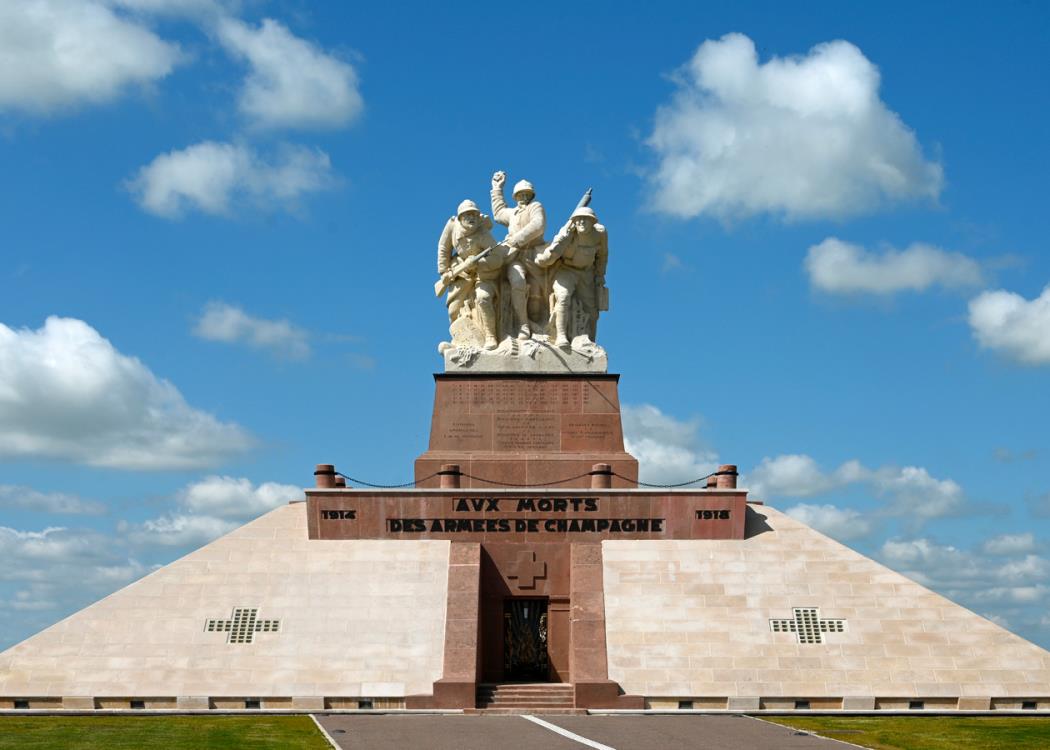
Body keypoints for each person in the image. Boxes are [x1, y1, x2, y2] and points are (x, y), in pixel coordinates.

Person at [534, 206, 607, 348]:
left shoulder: (600, 234)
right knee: (562, 297)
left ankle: (589, 340)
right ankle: (561, 336)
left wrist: (600, 275)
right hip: (566, 270)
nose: (581, 223)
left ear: (592, 222)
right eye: (578, 220)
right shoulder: (567, 234)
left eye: (585, 220)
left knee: (592, 309)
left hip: (587, 273)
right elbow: (548, 258)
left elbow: (602, 256)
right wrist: (562, 239)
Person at [437, 199, 506, 349]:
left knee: (483, 298)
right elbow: (443, 248)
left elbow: (498, 258)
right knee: (453, 310)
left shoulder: (483, 234)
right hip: (460, 272)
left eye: (474, 214)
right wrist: (445, 271)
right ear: (460, 218)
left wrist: (479, 264)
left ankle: (490, 336)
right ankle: (459, 340)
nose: (471, 218)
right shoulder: (452, 226)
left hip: (483, 274)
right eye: (467, 215)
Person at [491, 171, 547, 339]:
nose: (523, 197)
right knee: (517, 281)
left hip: (535, 258)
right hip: (515, 258)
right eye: (520, 194)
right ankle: (523, 325)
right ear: (515, 197)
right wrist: (497, 188)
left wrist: (516, 239)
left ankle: (542, 326)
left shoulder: (535, 207)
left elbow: (538, 225)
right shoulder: (513, 213)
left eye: (526, 194)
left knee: (537, 299)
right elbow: (499, 213)